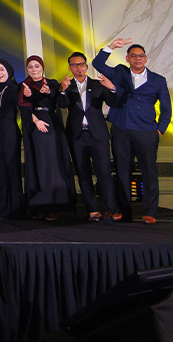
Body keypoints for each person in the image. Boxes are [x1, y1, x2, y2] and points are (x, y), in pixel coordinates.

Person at [93, 38, 171, 223]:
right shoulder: (119, 73)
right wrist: (111, 47)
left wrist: (159, 130)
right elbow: (98, 64)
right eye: (134, 56)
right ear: (127, 58)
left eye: (141, 56)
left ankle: (150, 212)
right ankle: (123, 211)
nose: (138, 58)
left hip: (147, 132)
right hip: (121, 129)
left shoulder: (158, 80)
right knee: (122, 172)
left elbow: (166, 109)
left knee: (149, 172)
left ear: (146, 58)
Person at [60, 51, 120, 221]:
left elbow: (114, 102)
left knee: (104, 173)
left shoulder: (98, 84)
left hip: (98, 135)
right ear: (70, 68)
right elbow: (62, 104)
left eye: (81, 64)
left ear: (86, 66)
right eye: (74, 65)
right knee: (83, 173)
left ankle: (110, 209)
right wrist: (62, 91)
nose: (78, 68)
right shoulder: (66, 85)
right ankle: (93, 210)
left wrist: (112, 88)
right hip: (77, 136)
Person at [19, 55, 75, 219]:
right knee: (39, 164)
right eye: (30, 67)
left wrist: (53, 91)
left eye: (37, 66)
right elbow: (23, 107)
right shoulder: (24, 86)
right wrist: (35, 120)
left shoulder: (51, 83)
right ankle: (39, 205)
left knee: (53, 163)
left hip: (51, 125)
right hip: (34, 126)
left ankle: (54, 205)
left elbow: (62, 103)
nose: (34, 69)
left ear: (42, 67)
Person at [0, 59, 25, 219]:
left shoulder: (15, 89)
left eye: (2, 69)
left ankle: (14, 209)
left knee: (11, 169)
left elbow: (24, 107)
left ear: (9, 71)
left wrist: (35, 120)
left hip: (9, 134)